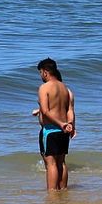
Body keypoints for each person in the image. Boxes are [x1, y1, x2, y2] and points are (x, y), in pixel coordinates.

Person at [34, 58, 76, 191]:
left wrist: (61, 123)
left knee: (50, 164)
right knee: (61, 162)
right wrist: (70, 125)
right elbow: (69, 110)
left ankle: (52, 194)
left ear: (45, 72)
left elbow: (46, 111)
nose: (41, 76)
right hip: (63, 132)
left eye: (41, 72)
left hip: (50, 131)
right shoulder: (66, 89)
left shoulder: (44, 88)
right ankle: (63, 190)